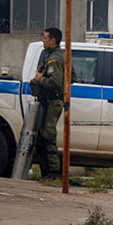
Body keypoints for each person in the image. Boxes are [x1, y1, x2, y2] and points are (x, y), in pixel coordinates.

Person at [30, 27, 66, 180]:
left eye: (45, 38)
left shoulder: (54, 59)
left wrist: (40, 79)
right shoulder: (57, 55)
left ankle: (53, 172)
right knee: (42, 136)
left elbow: (55, 83)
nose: (43, 40)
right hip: (49, 100)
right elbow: (72, 76)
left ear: (53, 40)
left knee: (47, 136)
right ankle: (47, 171)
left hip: (53, 100)